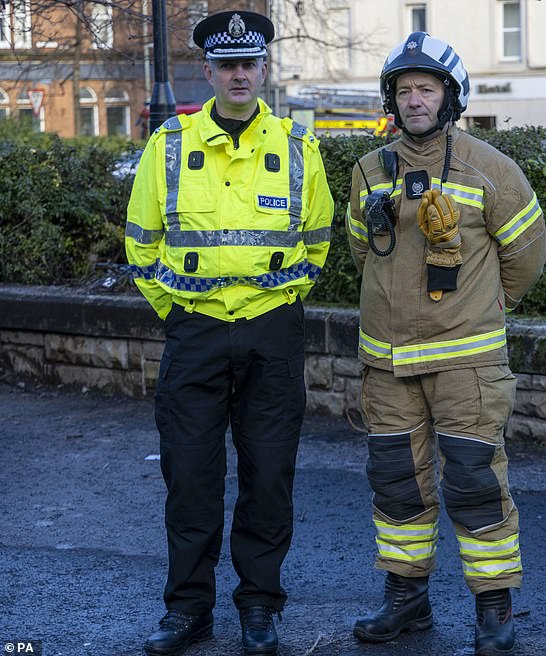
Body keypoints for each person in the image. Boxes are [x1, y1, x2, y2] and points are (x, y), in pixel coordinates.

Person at [125, 10, 333, 656]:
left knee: (269, 477)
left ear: (264, 69)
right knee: (190, 477)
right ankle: (188, 609)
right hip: (196, 334)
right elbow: (141, 242)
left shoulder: (299, 147)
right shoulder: (169, 147)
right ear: (209, 71)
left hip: (272, 333)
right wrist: (180, 310)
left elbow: (318, 243)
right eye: (228, 65)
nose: (240, 75)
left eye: (250, 64)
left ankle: (260, 607)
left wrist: (276, 304)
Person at [346, 31, 546, 656]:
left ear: (449, 96)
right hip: (389, 362)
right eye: (403, 90)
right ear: (392, 99)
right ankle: (406, 602)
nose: (414, 100)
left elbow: (527, 258)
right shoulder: (367, 171)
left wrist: (486, 307)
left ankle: (494, 608)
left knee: (474, 483)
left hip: (467, 363)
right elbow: (362, 250)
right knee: (397, 484)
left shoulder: (491, 169)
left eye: (425, 88)